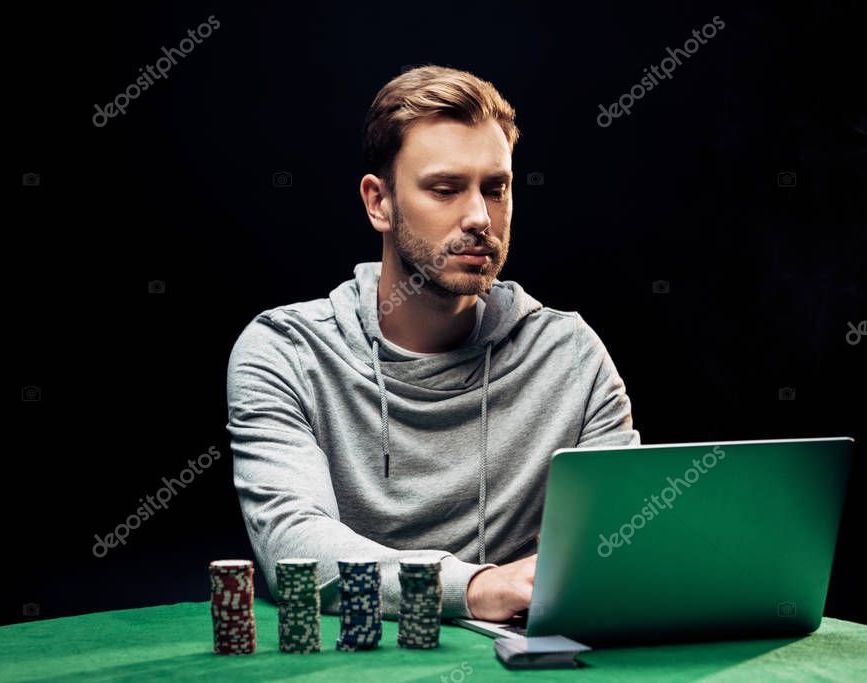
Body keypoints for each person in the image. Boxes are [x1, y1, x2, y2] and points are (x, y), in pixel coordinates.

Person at [226, 64, 639, 622]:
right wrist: (477, 588)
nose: (479, 218)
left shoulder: (570, 357)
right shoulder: (286, 352)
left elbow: (620, 544)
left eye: (495, 189)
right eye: (445, 190)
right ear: (379, 203)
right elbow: (293, 550)